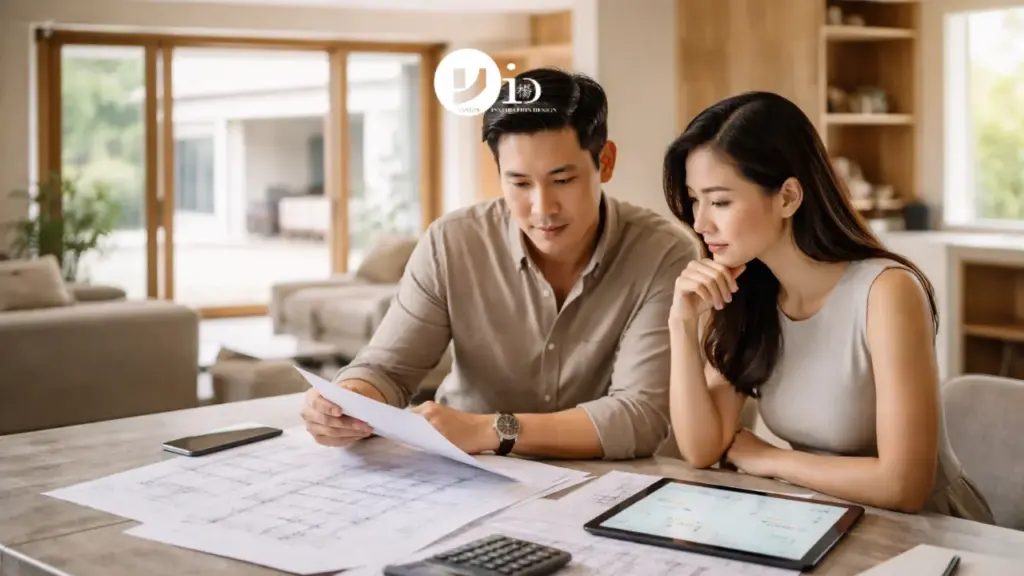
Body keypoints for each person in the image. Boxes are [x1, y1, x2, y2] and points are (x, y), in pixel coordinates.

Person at [300, 67, 699, 460]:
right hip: (467, 475)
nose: (542, 208)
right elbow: (386, 370)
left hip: (599, 480)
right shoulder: (452, 242)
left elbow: (641, 416)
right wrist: (346, 401)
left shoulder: (662, 254)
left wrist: (489, 430)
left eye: (562, 180)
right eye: (520, 183)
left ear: (605, 162)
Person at [663, 91, 994, 521]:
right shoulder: (750, 295)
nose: (700, 223)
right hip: (824, 518)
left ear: (787, 198)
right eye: (695, 200)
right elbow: (701, 449)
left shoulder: (887, 292)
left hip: (929, 531)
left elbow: (906, 485)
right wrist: (681, 325)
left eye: (720, 201)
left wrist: (771, 460)